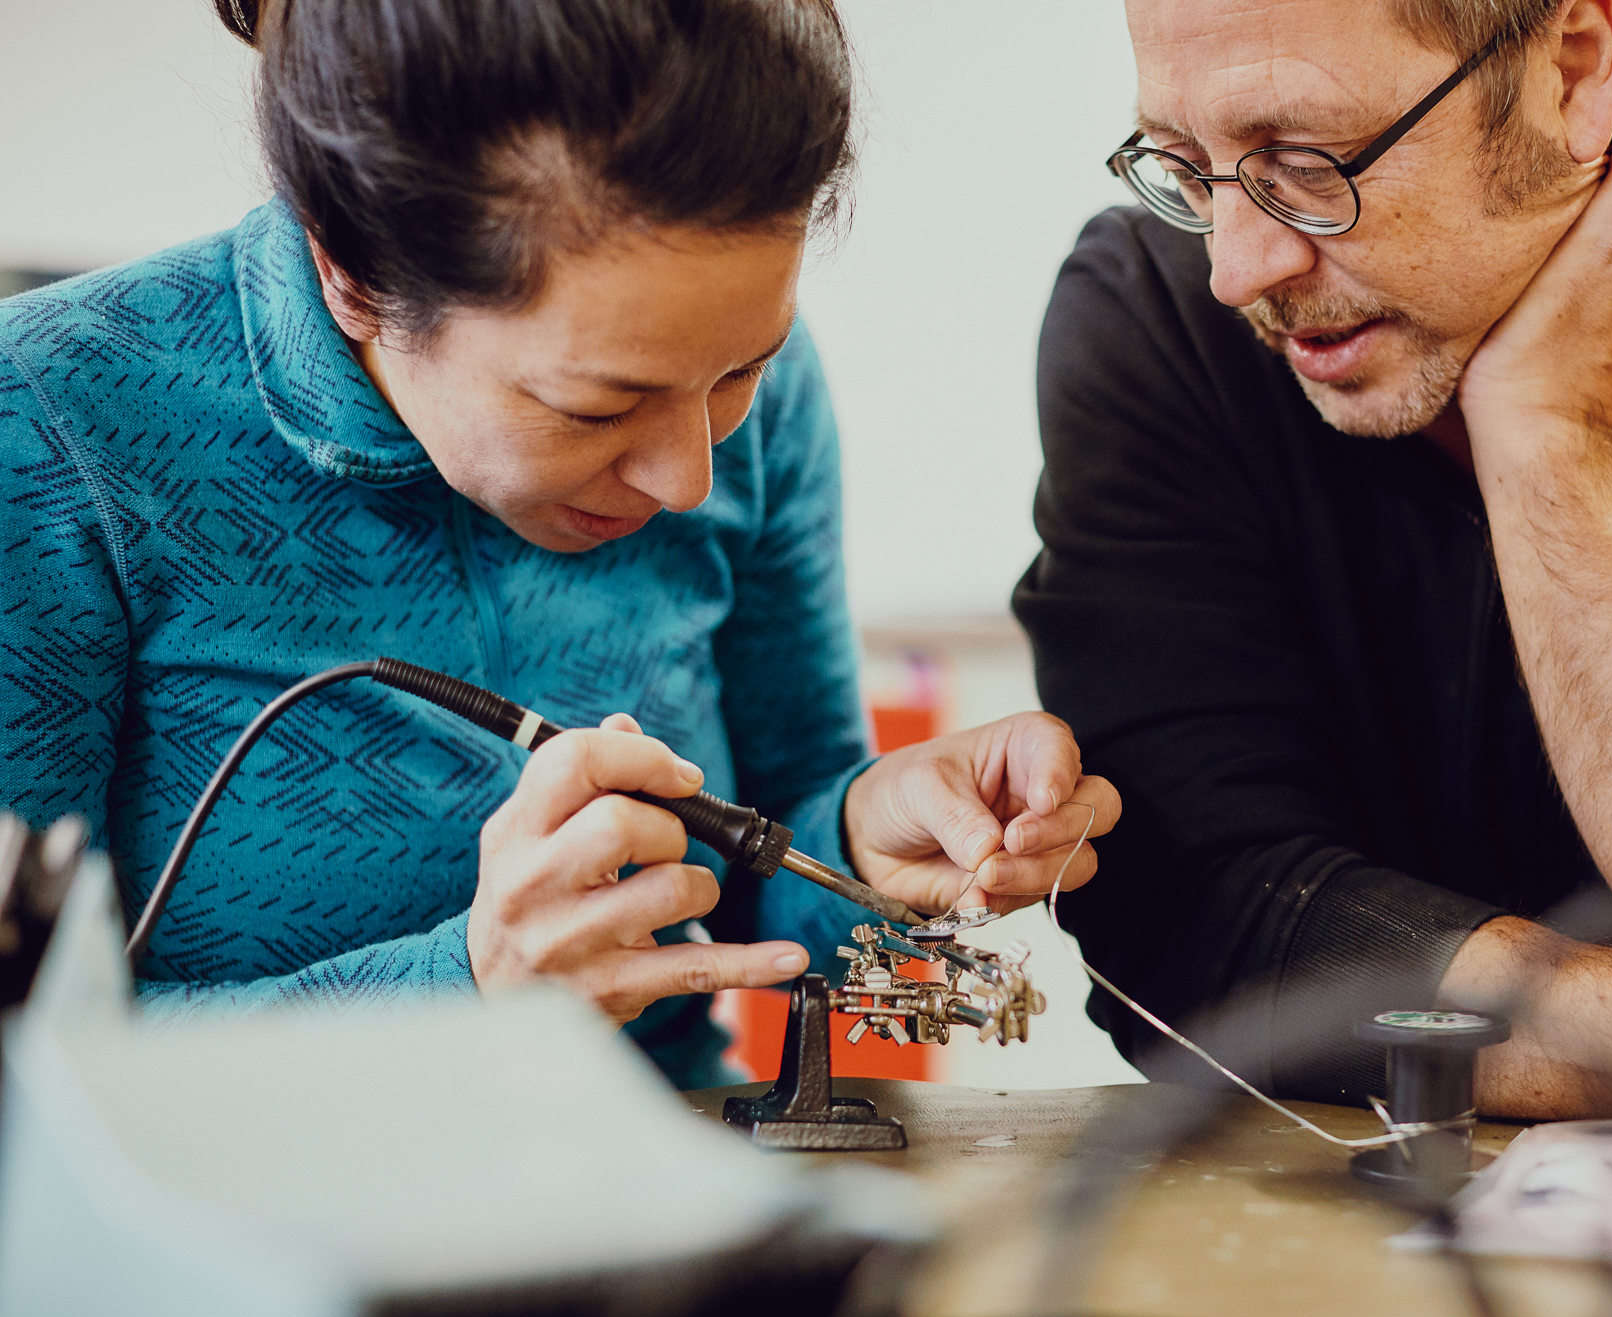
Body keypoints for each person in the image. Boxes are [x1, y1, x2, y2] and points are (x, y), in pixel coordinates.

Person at [0, 0, 1117, 1090]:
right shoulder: (49, 423)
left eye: (740, 373)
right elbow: (27, 1070)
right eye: (595, 407)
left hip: (666, 1210)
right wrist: (467, 987)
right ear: (353, 273)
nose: (689, 477)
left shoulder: (732, 388)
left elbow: (761, 859)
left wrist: (860, 839)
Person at [1015, 0, 1612, 1159]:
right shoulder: (1160, 316)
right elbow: (1197, 915)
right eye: (1187, 163)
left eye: (1301, 158)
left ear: (1573, 66)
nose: (1238, 266)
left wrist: (1545, 436)